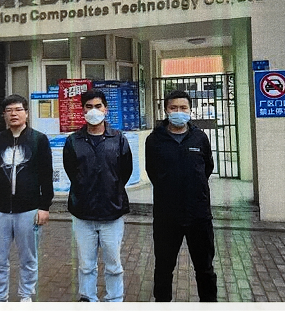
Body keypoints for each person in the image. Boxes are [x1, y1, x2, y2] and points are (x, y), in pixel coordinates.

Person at [0, 94, 54, 302]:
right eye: (9, 111)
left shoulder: (38, 140)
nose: (14, 114)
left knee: (28, 258)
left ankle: (26, 295)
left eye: (18, 110)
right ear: (4, 115)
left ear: (26, 113)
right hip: (0, 210)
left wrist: (44, 206)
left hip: (29, 210)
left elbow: (46, 175)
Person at [145, 90, 218, 302]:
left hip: (199, 215)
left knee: (205, 268)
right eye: (174, 108)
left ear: (190, 110)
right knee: (163, 267)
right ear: (166, 110)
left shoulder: (200, 138)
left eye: (183, 108)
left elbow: (207, 168)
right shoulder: (154, 140)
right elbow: (152, 172)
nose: (179, 112)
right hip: (167, 217)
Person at [63, 90, 133, 302]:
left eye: (98, 106)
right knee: (86, 265)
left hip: (112, 212)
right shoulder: (73, 141)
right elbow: (71, 171)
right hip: (83, 213)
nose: (93, 111)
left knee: (113, 264)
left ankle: (115, 299)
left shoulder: (118, 139)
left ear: (105, 109)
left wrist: (110, 189)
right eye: (89, 107)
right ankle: (88, 299)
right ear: (83, 110)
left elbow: (125, 171)